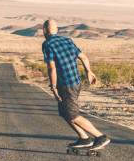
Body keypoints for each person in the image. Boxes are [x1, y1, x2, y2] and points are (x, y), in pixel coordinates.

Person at [42, 19, 110, 149]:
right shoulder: (68, 41)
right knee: (65, 113)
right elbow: (83, 57)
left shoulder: (47, 44)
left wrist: (54, 87)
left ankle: (101, 137)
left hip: (66, 85)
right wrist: (88, 71)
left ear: (44, 31)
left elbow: (52, 68)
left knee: (72, 115)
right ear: (57, 30)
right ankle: (84, 138)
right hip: (76, 83)